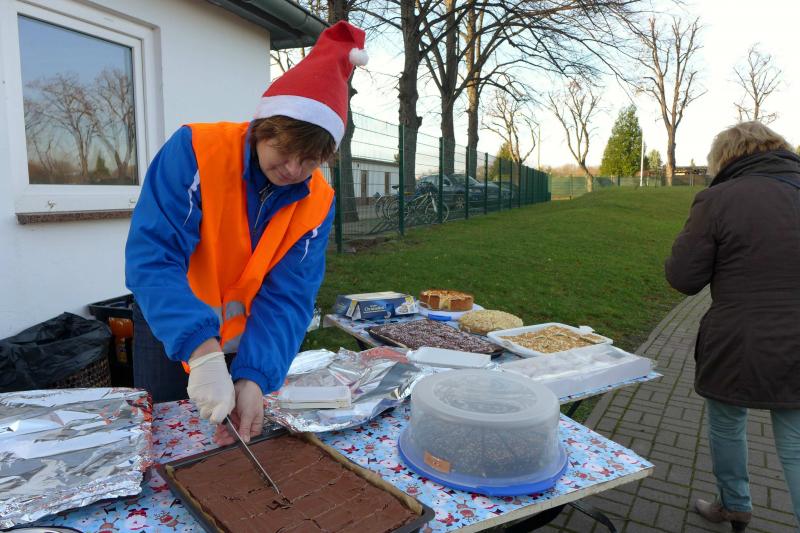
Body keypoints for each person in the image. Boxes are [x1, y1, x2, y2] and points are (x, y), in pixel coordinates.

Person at [125, 21, 368, 445]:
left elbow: (289, 296)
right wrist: (203, 354)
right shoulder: (196, 152)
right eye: (286, 151)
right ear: (264, 127)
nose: (293, 169)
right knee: (167, 441)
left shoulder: (318, 201)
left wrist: (255, 376)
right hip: (170, 317)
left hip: (249, 332)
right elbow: (155, 257)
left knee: (229, 436)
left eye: (309, 161)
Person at [665, 121, 800, 532]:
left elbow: (684, 278)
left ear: (725, 157)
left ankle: (735, 504)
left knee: (727, 423)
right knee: (795, 443)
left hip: (737, 339)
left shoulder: (719, 198)